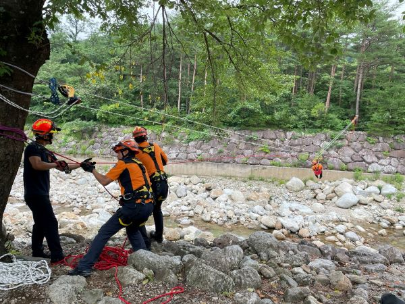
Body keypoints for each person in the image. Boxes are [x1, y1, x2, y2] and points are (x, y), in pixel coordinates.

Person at [69, 139, 154, 277]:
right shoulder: (140, 164)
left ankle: (84, 266)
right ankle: (145, 261)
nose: (116, 155)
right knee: (132, 229)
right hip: (147, 206)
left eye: (118, 151)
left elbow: (104, 181)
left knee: (104, 232)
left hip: (134, 207)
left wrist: (92, 169)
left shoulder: (123, 164)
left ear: (125, 151)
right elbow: (139, 186)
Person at [24, 118, 80, 263]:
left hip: (40, 193)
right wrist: (54, 165)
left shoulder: (45, 151)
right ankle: (57, 255)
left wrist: (81, 164)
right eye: (51, 134)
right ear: (44, 135)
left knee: (40, 223)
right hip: (35, 193)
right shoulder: (33, 148)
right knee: (50, 222)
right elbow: (37, 165)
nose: (52, 136)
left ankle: (37, 251)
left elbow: (62, 166)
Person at [132, 126, 169, 243]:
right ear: (145, 136)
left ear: (135, 139)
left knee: (144, 210)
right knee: (157, 209)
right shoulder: (156, 147)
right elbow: (165, 161)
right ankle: (158, 236)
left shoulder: (136, 153)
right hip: (163, 183)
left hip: (152, 184)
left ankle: (143, 240)